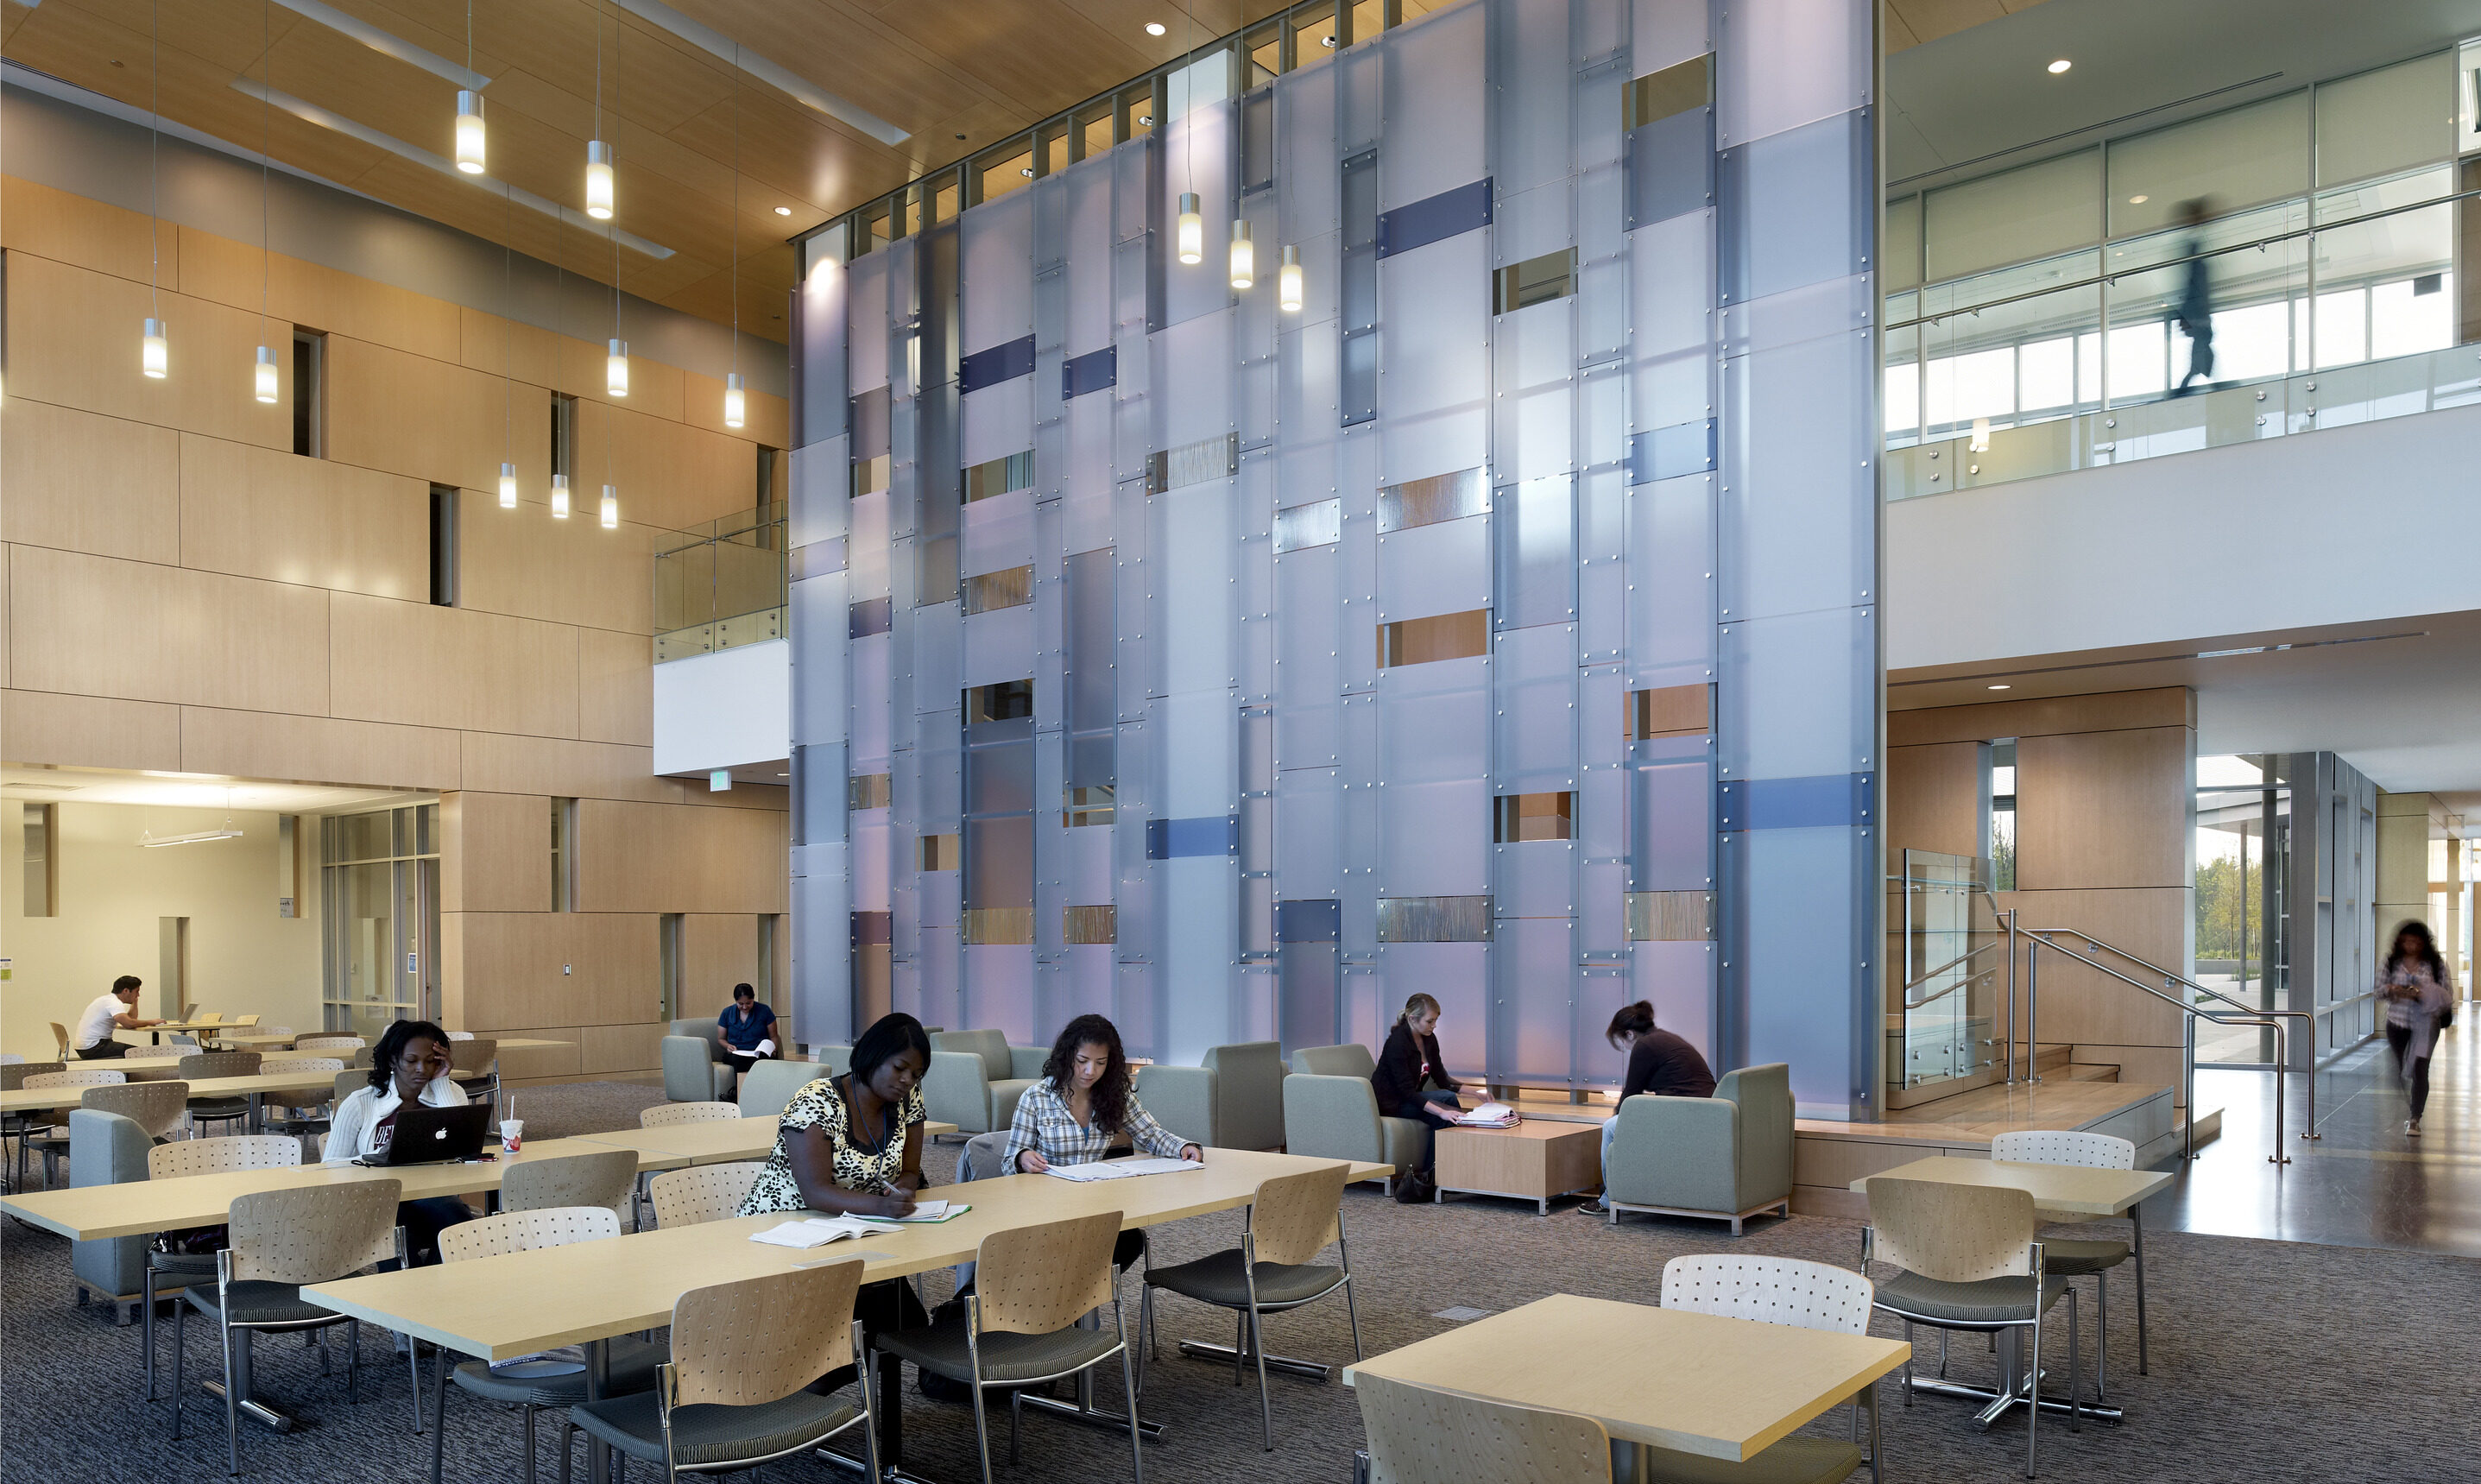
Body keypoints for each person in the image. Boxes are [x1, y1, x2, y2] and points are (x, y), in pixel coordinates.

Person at [738, 1012, 935, 1465]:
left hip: (858, 1233)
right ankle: (789, 1400)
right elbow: (816, 1191)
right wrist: (883, 1206)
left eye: (916, 1073)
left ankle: (807, 1396)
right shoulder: (817, 1101)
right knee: (880, 1320)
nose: (907, 1081)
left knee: (902, 1323)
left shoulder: (908, 1102)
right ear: (871, 1058)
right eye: (899, 1069)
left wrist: (904, 1187)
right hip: (783, 1233)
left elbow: (909, 1169)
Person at [1004, 1013, 1202, 1274]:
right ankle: (1066, 1295)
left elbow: (1151, 1134)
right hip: (1047, 1209)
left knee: (1129, 1240)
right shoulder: (1037, 1098)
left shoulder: (1114, 1096)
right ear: (1068, 1057)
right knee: (1071, 1250)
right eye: (1083, 1061)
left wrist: (1183, 1147)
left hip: (1092, 1206)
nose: (1091, 1071)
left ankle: (1070, 1293)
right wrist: (1022, 1158)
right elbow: (1008, 1163)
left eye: (1100, 1063)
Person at [324, 1020, 476, 1266]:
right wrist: (373, 1159)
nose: (422, 1069)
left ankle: (438, 1283)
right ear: (394, 1060)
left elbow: (464, 1146)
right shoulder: (360, 1103)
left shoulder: (451, 1093)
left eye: (431, 1061)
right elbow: (329, 1166)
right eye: (411, 1061)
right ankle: (399, 1294)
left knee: (458, 1219)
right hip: (379, 1197)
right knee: (392, 1227)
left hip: (432, 1194)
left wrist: (441, 1083)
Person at [1579, 1001, 1716, 1216]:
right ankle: (1629, 1193)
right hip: (1704, 1110)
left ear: (1630, 1034)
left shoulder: (1645, 1046)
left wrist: (1620, 1120)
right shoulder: (1665, 1038)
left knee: (1610, 1128)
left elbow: (1630, 1094)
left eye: (1621, 1041)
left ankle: (1608, 1199)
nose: (1624, 1047)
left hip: (1685, 1112)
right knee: (1622, 1126)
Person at [1373, 993, 1467, 1203]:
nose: (1434, 1026)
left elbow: (1441, 1078)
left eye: (1436, 1021)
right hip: (1390, 1102)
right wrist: (1441, 1110)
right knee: (1445, 1108)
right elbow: (1406, 1092)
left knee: (1448, 1101)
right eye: (1430, 1021)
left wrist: (1474, 1092)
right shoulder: (1397, 1043)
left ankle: (1440, 1174)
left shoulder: (1429, 1039)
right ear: (1413, 1019)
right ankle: (1430, 1176)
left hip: (1410, 1098)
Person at [2378, 919, 2454, 1137]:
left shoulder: (2435, 963)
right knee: (2402, 1069)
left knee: (2421, 1069)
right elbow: (2378, 991)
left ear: (2424, 943)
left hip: (2426, 1025)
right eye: (2407, 942)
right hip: (2397, 1023)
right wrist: (2393, 990)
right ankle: (2411, 1107)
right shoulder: (2391, 962)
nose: (2411, 946)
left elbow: (2446, 994)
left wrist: (2421, 993)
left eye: (2416, 942)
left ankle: (2415, 1118)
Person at [2169, 197, 2216, 395]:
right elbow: (2193, 291)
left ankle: (2180, 393)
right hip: (2199, 321)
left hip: (2199, 321)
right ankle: (2180, 394)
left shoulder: (2197, 268)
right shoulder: (2197, 268)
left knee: (2197, 369)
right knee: (2198, 368)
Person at [72, 976, 162, 1059]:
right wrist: (151, 1022)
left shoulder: (107, 999)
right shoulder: (113, 1003)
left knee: (137, 1052)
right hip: (94, 1047)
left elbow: (131, 1019)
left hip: (86, 1047)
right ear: (126, 991)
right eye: (137, 992)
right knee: (139, 1053)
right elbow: (129, 1024)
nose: (138, 995)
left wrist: (135, 1001)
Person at [716, 982, 778, 1101]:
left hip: (759, 1051)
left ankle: (760, 1096)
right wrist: (728, 1046)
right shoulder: (727, 1013)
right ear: (735, 1001)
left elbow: (774, 1036)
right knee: (739, 1061)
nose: (744, 1007)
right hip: (737, 1052)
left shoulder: (764, 1011)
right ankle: (741, 1096)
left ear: (753, 999)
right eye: (740, 1004)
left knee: (759, 1061)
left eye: (748, 1003)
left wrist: (773, 1047)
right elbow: (721, 1039)